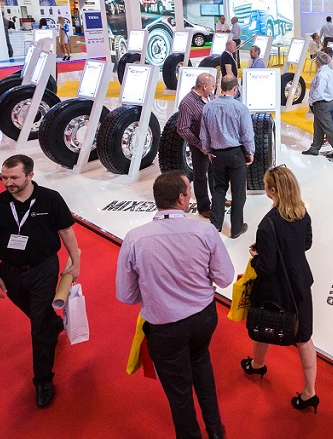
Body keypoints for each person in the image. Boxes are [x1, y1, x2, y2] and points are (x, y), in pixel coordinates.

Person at [116, 171, 234, 439]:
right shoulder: (205, 231)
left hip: (164, 328)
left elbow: (126, 295)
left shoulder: (135, 238)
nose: (190, 195)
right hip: (203, 318)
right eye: (189, 191)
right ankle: (215, 430)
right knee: (201, 361)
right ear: (181, 198)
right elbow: (225, 278)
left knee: (178, 391)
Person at [0, 154, 81, 408]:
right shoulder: (1, 203)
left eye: (14, 177)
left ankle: (43, 380)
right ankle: (52, 323)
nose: (8, 183)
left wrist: (75, 261)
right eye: (4, 177)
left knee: (38, 327)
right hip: (9, 272)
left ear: (30, 176)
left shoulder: (50, 199)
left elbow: (66, 230)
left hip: (43, 270)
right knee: (38, 315)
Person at [241, 165, 319, 413]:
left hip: (274, 289)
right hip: (300, 285)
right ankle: (309, 392)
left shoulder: (267, 225)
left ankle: (257, 364)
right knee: (304, 338)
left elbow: (267, 266)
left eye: (266, 185)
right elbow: (306, 243)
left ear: (273, 191)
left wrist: (256, 256)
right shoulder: (302, 214)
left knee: (263, 325)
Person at [200, 75, 255, 238]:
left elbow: (204, 134)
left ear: (220, 87)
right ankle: (236, 228)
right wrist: (250, 153)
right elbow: (247, 135)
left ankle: (215, 225)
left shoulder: (208, 107)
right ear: (235, 88)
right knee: (238, 192)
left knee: (219, 189)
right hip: (236, 154)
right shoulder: (241, 108)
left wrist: (208, 151)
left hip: (217, 154)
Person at [177, 73, 217, 219]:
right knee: (200, 176)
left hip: (214, 143)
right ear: (205, 86)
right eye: (213, 85)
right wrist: (199, 145)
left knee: (215, 172)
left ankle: (218, 198)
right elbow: (182, 129)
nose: (214, 88)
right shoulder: (187, 104)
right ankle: (204, 207)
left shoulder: (210, 96)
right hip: (199, 146)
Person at [302, 52, 333, 160]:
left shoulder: (322, 74)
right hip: (327, 102)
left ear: (318, 61)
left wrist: (311, 100)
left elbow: (319, 90)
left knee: (328, 128)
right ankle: (314, 148)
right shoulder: (330, 71)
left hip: (322, 104)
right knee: (318, 127)